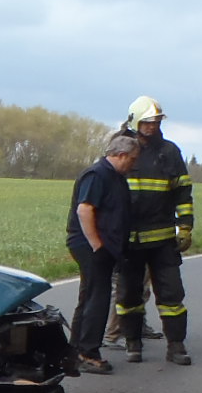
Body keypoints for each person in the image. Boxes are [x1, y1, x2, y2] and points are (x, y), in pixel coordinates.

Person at [113, 96, 194, 366]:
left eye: (157, 121)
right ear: (136, 121)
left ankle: (176, 346)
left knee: (172, 295)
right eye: (148, 121)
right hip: (129, 241)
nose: (153, 126)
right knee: (128, 296)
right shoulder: (121, 148)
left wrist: (185, 227)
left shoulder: (169, 152)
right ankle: (132, 343)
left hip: (162, 240)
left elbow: (183, 192)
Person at [66, 135, 138, 374]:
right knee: (97, 298)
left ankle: (74, 351)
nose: (133, 165)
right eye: (132, 159)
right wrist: (97, 245)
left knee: (89, 297)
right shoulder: (97, 174)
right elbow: (84, 209)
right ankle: (88, 353)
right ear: (121, 155)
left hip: (102, 246)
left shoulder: (115, 177)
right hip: (90, 246)